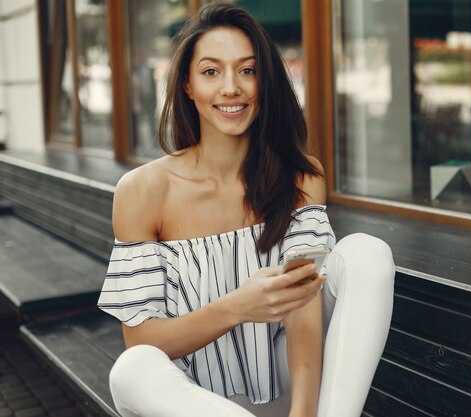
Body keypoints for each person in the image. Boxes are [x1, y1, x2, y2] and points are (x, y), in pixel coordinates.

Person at [96, 4, 395, 417]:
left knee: (367, 252)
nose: (231, 88)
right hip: (195, 401)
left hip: (289, 390)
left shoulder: (300, 178)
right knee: (131, 368)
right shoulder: (143, 190)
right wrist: (238, 306)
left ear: (265, 82)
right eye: (211, 71)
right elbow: (142, 340)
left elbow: (304, 308)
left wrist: (304, 412)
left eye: (248, 70)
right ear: (187, 84)